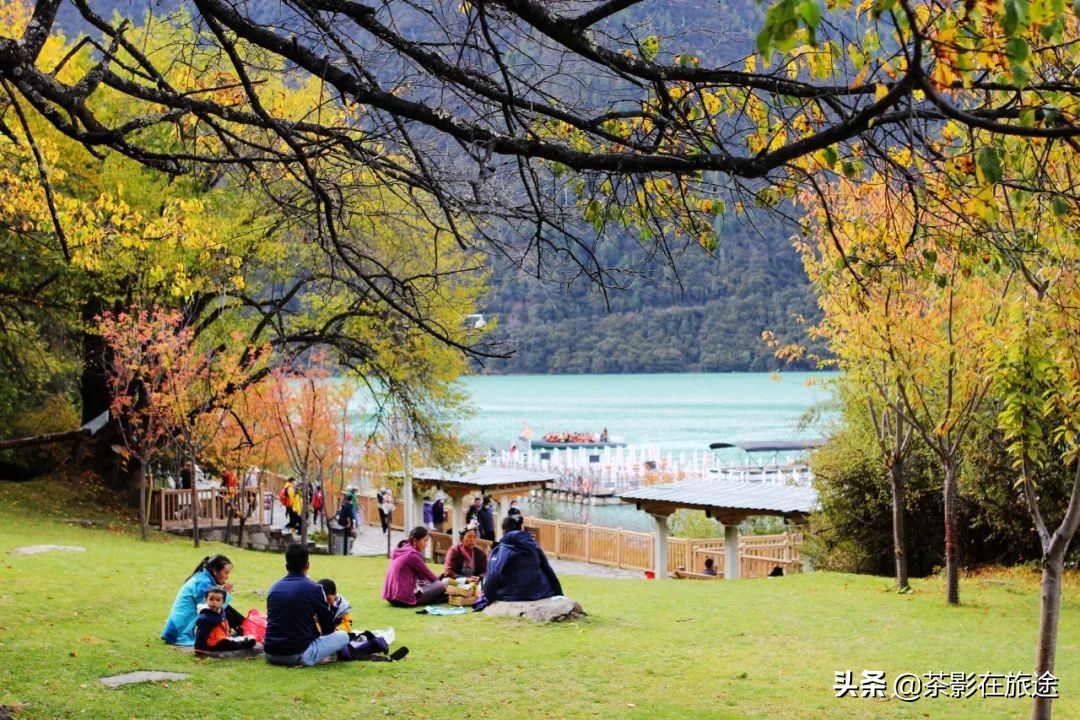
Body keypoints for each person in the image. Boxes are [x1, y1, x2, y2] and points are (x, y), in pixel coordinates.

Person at [264, 544, 350, 666]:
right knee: (343, 636)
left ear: (286, 567)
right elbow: (328, 628)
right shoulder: (314, 588)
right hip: (297, 655)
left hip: (270, 653)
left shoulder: (274, 588)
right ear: (307, 565)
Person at [162, 555, 237, 646]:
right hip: (179, 633)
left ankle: (241, 627)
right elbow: (209, 610)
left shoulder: (203, 577)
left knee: (225, 608)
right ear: (215, 571)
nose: (227, 577)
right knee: (221, 608)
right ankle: (243, 628)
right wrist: (226, 594)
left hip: (176, 629)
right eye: (226, 573)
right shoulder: (203, 582)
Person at [484, 517, 563, 603]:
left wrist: (488, 596)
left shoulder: (505, 548)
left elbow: (494, 574)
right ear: (520, 528)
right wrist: (558, 592)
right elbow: (547, 568)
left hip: (514, 594)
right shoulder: (534, 546)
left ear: (503, 530)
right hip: (541, 591)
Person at [381, 527, 448, 607]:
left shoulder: (402, 550)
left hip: (391, 597)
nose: (426, 545)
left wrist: (439, 577)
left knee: (437, 584)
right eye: (425, 541)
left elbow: (424, 577)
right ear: (415, 540)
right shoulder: (412, 555)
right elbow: (429, 575)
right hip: (403, 599)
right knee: (441, 585)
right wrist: (444, 585)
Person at [194, 585, 258, 654]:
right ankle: (245, 644)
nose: (214, 602)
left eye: (218, 600)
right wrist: (199, 649)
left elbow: (224, 623)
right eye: (211, 599)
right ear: (206, 600)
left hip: (221, 637)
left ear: (223, 602)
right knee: (228, 644)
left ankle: (242, 639)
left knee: (230, 640)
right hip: (213, 643)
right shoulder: (205, 617)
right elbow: (201, 634)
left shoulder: (221, 611)